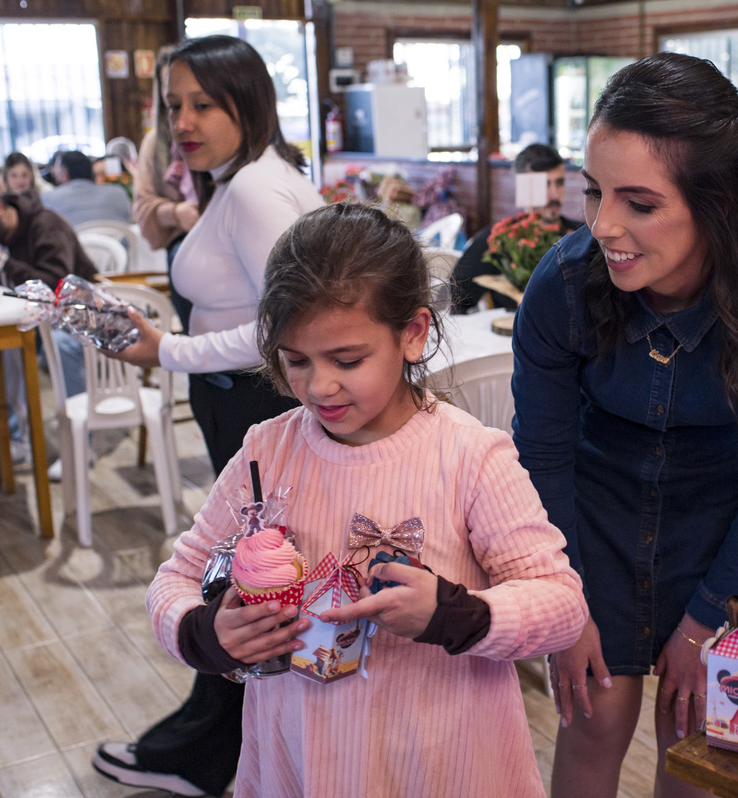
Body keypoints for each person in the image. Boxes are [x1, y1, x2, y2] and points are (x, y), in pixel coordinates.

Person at [144, 200, 588, 795]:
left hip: (439, 762)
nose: (318, 385)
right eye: (296, 360)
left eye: (347, 360)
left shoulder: (469, 456)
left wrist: (456, 613)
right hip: (302, 756)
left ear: (413, 333)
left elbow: (561, 604)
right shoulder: (266, 451)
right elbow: (174, 579)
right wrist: (204, 633)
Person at [512, 53, 738, 797]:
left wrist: (706, 619)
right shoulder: (564, 285)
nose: (604, 226)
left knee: (695, 734)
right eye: (594, 192)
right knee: (594, 714)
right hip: (592, 517)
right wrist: (566, 599)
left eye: (639, 203)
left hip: (724, 525)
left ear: (715, 204)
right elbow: (543, 456)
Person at [91, 35, 323, 798]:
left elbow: (287, 325)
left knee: (240, 587)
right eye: (172, 106)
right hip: (241, 404)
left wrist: (168, 349)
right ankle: (215, 748)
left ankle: (198, 755)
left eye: (202, 104)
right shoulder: (246, 178)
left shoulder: (253, 189)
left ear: (246, 103)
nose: (182, 122)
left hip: (254, 402)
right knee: (246, 584)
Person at [0, 178, 96, 401]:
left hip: (78, 314)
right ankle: (4, 416)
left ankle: (55, 415)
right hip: (33, 317)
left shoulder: (45, 225)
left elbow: (55, 287)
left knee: (12, 342)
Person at [449, 142, 581, 313]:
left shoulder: (582, 236)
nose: (555, 195)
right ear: (523, 187)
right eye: (544, 185)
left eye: (559, 183)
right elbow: (456, 295)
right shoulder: (498, 240)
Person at [133, 44, 200, 327]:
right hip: (183, 243)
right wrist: (176, 213)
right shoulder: (154, 143)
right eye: (168, 86)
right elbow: (143, 205)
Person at [41, 150, 133, 227]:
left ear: (64, 175)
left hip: (73, 244)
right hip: (116, 243)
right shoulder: (118, 193)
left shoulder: (48, 199)